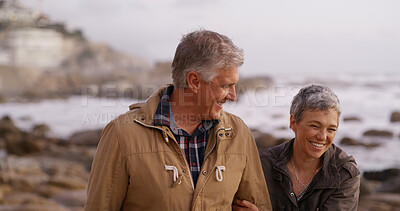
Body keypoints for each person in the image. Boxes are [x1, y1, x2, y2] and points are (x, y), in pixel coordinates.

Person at [84, 29, 272, 211]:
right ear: (194, 81)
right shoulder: (122, 134)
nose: (232, 96)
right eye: (225, 86)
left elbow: (259, 205)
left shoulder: (239, 133)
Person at [258, 84, 361, 210]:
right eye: (315, 126)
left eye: (331, 129)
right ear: (293, 122)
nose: (323, 137)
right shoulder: (263, 165)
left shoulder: (344, 174)